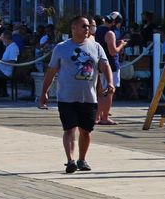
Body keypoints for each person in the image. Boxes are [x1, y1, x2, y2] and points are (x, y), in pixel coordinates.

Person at [39, 14, 113, 174]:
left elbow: (104, 65)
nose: (88, 29)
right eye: (84, 26)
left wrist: (110, 82)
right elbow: (51, 72)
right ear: (73, 28)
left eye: (89, 26)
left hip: (89, 97)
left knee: (86, 130)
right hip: (66, 97)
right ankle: (70, 160)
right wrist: (44, 92)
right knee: (69, 129)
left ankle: (82, 159)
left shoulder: (96, 47)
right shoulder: (61, 48)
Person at [95, 13, 122, 123]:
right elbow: (113, 51)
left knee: (101, 92)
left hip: (100, 64)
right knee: (110, 91)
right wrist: (121, 45)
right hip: (111, 64)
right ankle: (105, 117)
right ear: (114, 23)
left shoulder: (98, 31)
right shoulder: (110, 33)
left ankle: (97, 117)